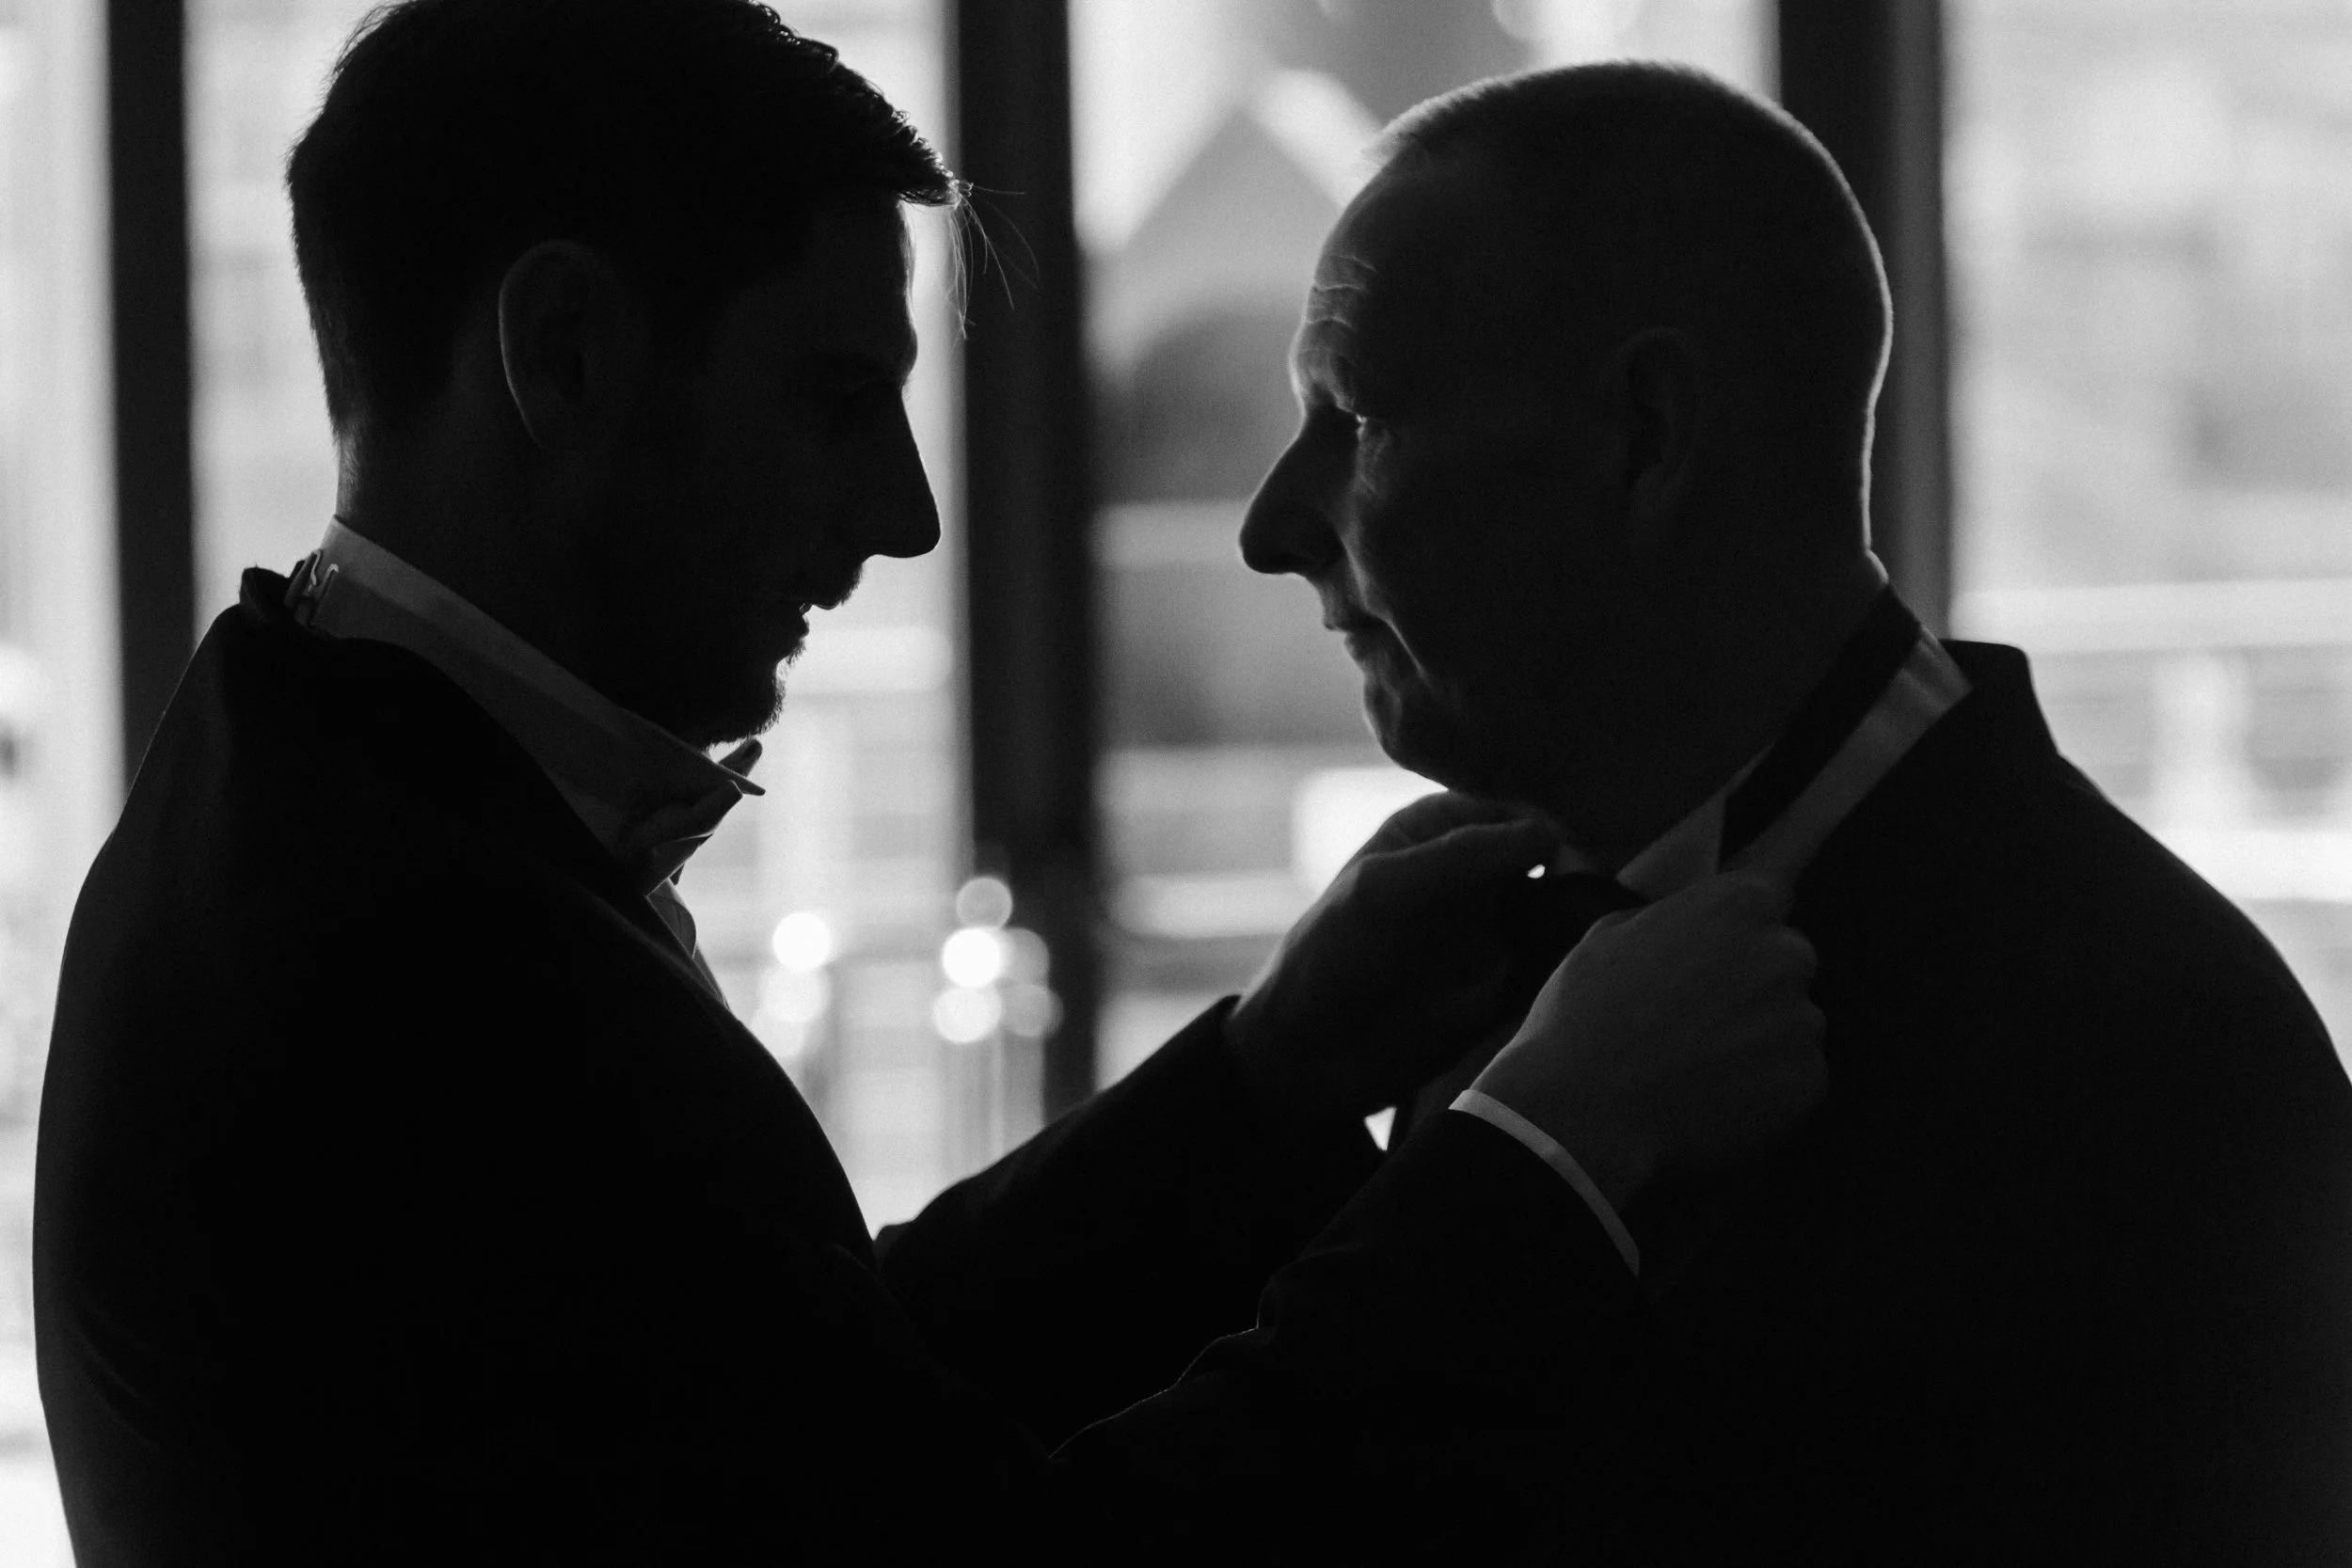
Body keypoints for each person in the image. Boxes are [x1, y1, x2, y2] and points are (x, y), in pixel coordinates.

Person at [34, 7, 1825, 1563]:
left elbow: (810, 1413)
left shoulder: (311, 785)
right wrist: (1549, 1156)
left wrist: (1267, 1068)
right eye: (832, 399)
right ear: (561, 354)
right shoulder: (421, 958)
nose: (907, 515)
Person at [1236, 59, 2352, 1562]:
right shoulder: (1501, 944)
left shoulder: (2151, 1045)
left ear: (1647, 434)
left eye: (1353, 418)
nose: (1268, 526)